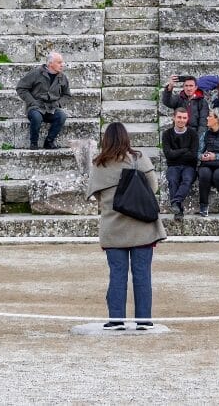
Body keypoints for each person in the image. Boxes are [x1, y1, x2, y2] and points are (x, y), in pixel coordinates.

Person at [86, 122, 166, 330]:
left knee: (117, 274)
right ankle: (143, 320)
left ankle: (116, 319)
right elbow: (154, 187)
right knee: (142, 274)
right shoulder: (139, 159)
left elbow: (97, 195)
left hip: (113, 228)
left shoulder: (99, 164)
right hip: (142, 226)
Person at [16, 51, 70, 149]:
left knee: (61, 116)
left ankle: (49, 141)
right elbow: (21, 88)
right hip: (35, 107)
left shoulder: (62, 77)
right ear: (50, 63)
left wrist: (58, 103)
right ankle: (33, 143)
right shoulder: (35, 73)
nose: (63, 65)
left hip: (52, 109)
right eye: (59, 62)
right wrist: (32, 102)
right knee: (37, 117)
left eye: (62, 62)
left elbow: (66, 95)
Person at [162, 107, 197, 220]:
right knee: (173, 180)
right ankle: (178, 211)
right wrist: (184, 150)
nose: (181, 120)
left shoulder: (193, 133)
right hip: (173, 166)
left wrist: (175, 153)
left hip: (189, 166)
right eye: (179, 117)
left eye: (184, 118)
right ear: (174, 118)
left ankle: (175, 203)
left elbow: (193, 155)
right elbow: (168, 155)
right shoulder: (167, 134)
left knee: (187, 180)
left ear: (187, 119)